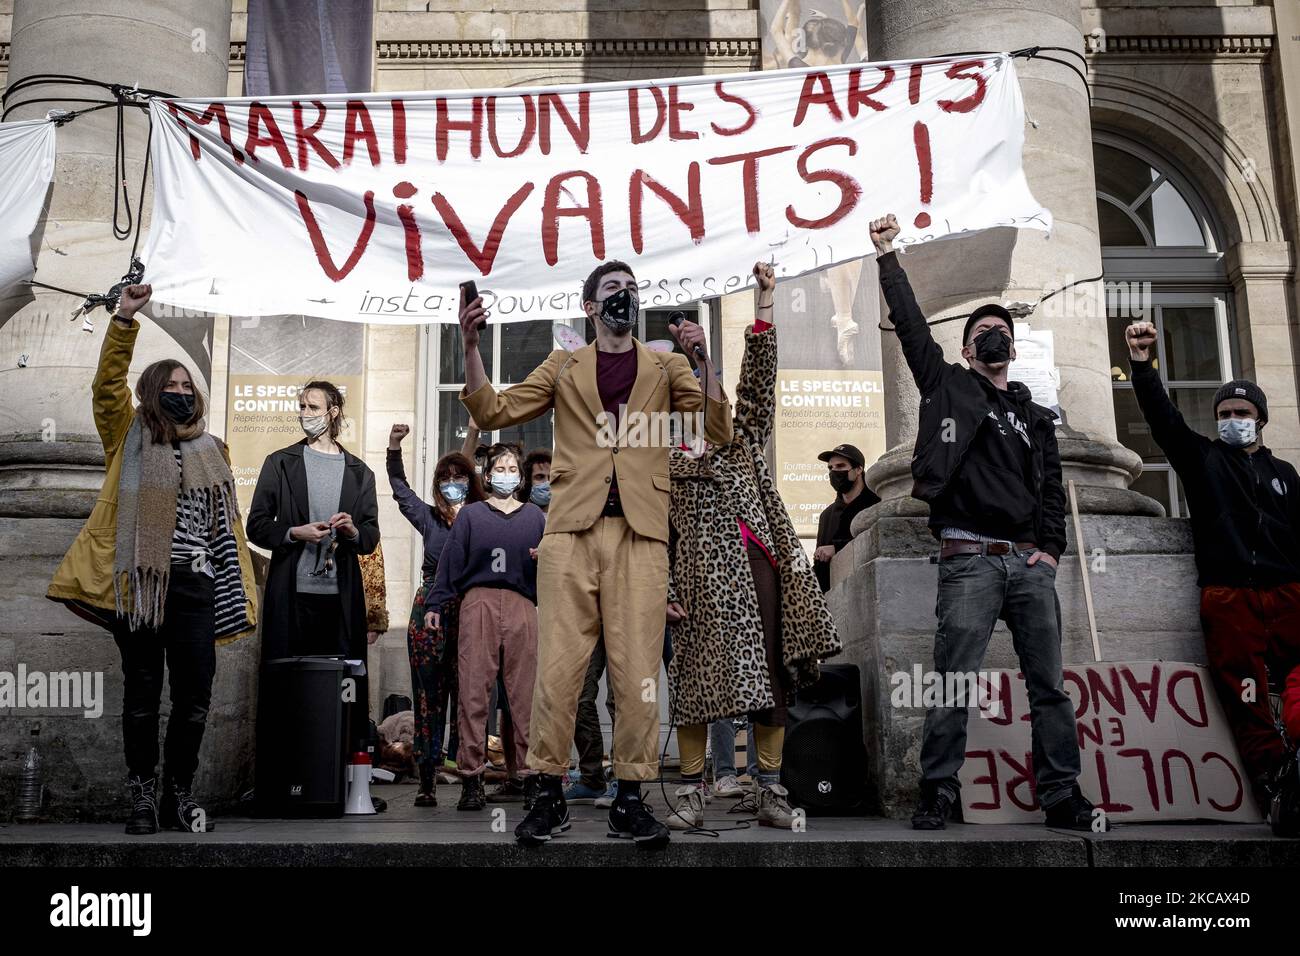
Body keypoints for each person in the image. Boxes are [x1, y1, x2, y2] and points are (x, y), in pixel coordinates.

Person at [458, 261, 733, 847]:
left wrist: (705, 359)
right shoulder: (564, 364)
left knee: (638, 676)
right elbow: (492, 412)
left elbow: (717, 427)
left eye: (631, 289)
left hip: (640, 535)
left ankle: (629, 800)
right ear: (589, 308)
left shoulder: (667, 365)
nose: (624, 296)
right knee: (557, 673)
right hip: (570, 535)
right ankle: (550, 795)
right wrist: (471, 344)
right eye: (612, 289)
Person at [869, 213, 1101, 831]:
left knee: (1048, 685)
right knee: (953, 682)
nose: (994, 337)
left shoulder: (1036, 419)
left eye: (1001, 330)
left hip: (1028, 564)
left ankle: (1060, 794)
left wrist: (1050, 552)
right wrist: (888, 257)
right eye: (983, 332)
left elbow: (1053, 492)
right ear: (970, 349)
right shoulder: (947, 386)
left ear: (1012, 348)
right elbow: (913, 330)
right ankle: (939, 789)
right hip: (969, 557)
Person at [46, 283, 259, 835]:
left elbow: (222, 531)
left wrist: (233, 589)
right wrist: (123, 320)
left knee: (193, 700)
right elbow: (104, 387)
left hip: (196, 589)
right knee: (142, 697)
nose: (181, 392)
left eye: (188, 385)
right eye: (170, 386)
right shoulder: (128, 435)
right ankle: (141, 798)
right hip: (141, 587)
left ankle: (178, 797)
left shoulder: (215, 450)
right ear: (151, 393)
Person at [665, 261, 842, 830]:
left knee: (772, 679)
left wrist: (764, 303)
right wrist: (663, 588)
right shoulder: (660, 465)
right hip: (695, 585)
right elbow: (653, 535)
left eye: (702, 386)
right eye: (687, 392)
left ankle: (768, 788)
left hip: (761, 572)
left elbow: (758, 383)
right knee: (695, 683)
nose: (698, 396)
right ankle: (693, 794)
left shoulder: (740, 439)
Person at [1125, 321, 1300, 821]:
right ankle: (1276, 787)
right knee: (1244, 694)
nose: (1232, 420)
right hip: (1230, 598)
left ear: (1260, 419)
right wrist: (1142, 365)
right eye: (1225, 413)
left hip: (1287, 594)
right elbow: (1163, 422)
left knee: (1296, 685)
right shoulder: (1203, 459)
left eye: (1242, 412)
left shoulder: (1285, 475)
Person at [246, 379, 380, 755]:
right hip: (292, 595)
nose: (305, 414)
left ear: (333, 412)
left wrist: (353, 530)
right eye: (302, 407)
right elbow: (255, 526)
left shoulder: (359, 473)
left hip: (339, 601)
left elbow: (370, 537)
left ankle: (339, 771)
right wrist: (293, 532)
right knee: (287, 683)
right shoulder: (280, 463)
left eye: (313, 408)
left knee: (344, 686)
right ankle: (286, 773)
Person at [426, 442, 547, 810]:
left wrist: (547, 559)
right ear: (488, 474)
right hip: (477, 602)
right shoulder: (471, 516)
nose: (506, 475)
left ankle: (529, 778)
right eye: (500, 469)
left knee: (524, 698)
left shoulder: (536, 518)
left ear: (521, 477)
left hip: (522, 605)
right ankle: (472, 778)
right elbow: (450, 561)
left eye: (513, 469)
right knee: (473, 694)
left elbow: (556, 570)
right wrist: (435, 602)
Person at [388, 424, 486, 806]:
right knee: (429, 698)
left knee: (470, 696)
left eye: (459, 476)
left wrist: (474, 436)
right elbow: (399, 490)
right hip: (429, 611)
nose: (452, 482)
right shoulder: (428, 518)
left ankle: (471, 782)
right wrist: (394, 447)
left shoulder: (483, 516)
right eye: (444, 477)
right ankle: (426, 779)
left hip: (472, 608)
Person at [814, 443, 880, 592]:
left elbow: (878, 542)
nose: (834, 472)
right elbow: (821, 565)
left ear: (858, 469)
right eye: (831, 468)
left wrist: (837, 548)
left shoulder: (876, 503)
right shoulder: (827, 516)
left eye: (840, 466)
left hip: (870, 589)